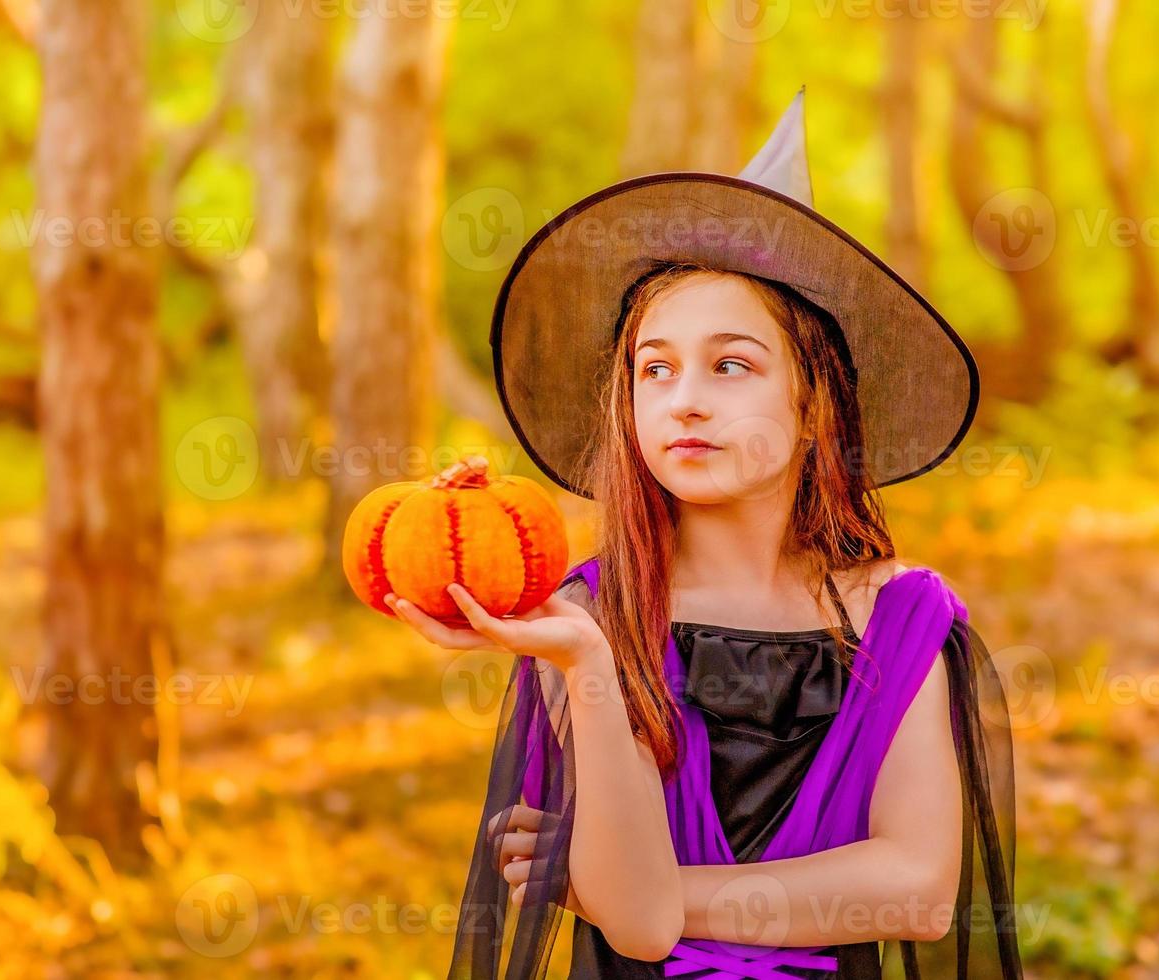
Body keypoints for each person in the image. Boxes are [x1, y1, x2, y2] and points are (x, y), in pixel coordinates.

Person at [390, 90, 1023, 979]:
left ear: (813, 406)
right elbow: (642, 933)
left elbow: (917, 890)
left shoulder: (901, 619)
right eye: (657, 368)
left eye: (732, 365)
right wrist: (589, 667)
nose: (685, 398)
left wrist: (632, 880)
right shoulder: (588, 617)